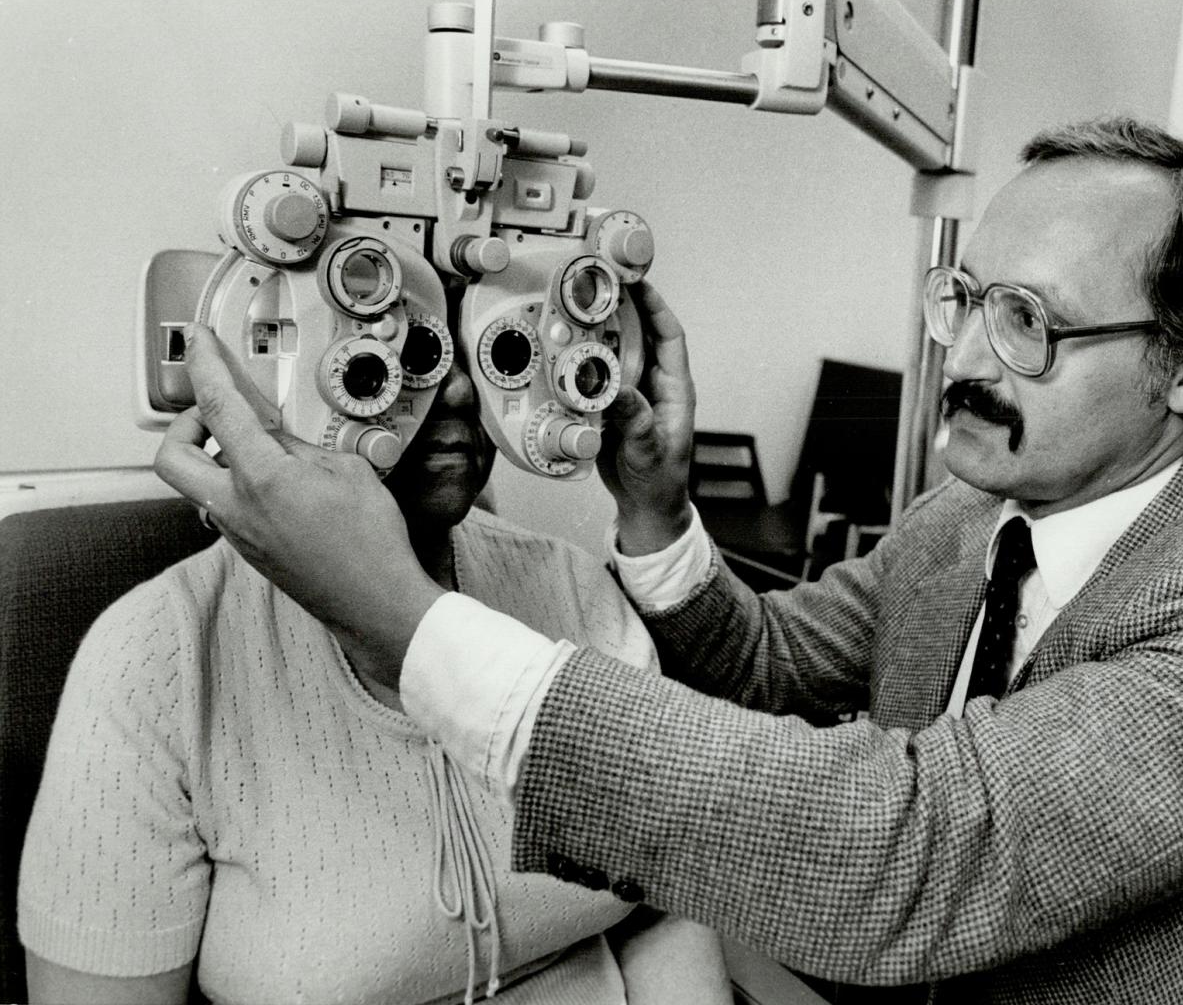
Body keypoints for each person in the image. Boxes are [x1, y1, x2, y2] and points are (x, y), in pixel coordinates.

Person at [153, 118, 1183, 1003]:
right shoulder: (968, 517)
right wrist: (654, 509)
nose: (968, 359)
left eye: (1028, 322)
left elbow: (913, 849)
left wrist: (402, 618)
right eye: (968, 298)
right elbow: (764, 670)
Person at [18, 285, 732, 1005]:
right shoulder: (156, 659)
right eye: (413, 346)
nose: (454, 386)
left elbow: (665, 900)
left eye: (488, 346)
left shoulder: (573, 586)